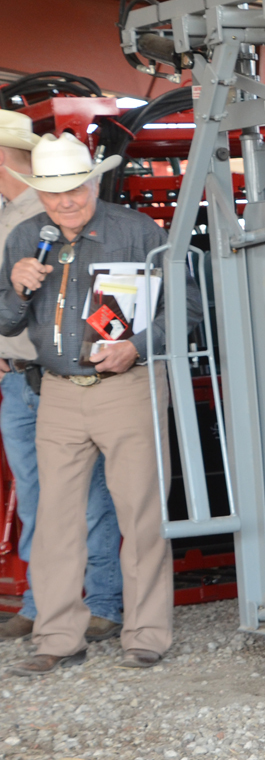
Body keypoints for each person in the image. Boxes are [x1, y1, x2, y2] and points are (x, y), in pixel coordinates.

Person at [0, 132, 198, 675]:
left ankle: (146, 634)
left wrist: (135, 347)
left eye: (75, 189)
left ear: (93, 181)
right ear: (38, 193)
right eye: (52, 193)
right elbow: (5, 323)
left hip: (127, 388)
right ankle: (59, 637)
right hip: (58, 392)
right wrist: (15, 288)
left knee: (140, 514)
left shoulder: (136, 232)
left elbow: (187, 310)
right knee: (56, 519)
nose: (65, 202)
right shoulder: (24, 238)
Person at [0, 111, 125, 644]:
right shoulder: (14, 216)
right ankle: (43, 599)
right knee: (36, 495)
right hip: (19, 376)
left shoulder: (39, 220)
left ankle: (102, 601)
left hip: (56, 377)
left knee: (85, 494)